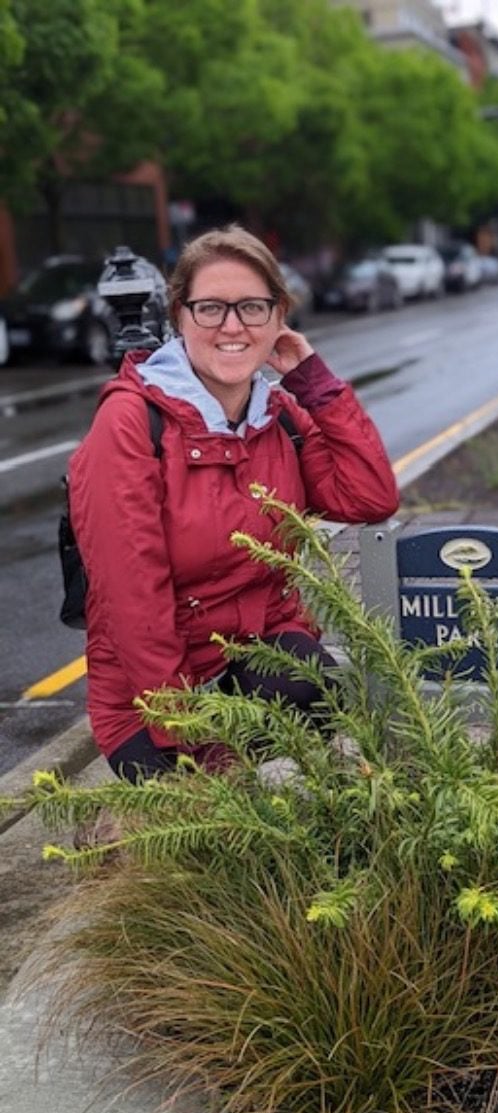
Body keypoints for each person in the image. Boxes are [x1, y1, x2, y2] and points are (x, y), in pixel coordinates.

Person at [68, 224, 399, 821]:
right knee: (208, 831)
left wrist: (314, 381)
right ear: (179, 315)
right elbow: (131, 600)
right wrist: (188, 738)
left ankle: (263, 802)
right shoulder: (130, 423)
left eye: (252, 307)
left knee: (314, 691)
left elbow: (369, 495)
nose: (232, 326)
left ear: (279, 316)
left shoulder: (279, 414)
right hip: (154, 689)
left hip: (254, 650)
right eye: (210, 307)